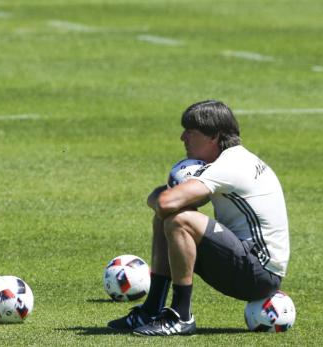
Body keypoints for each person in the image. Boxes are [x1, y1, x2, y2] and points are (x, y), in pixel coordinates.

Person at [108, 100, 290, 336]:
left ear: (213, 136)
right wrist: (163, 201)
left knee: (178, 219)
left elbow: (164, 202)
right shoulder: (232, 160)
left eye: (191, 132)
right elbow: (174, 201)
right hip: (250, 264)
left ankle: (181, 316)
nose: (183, 137)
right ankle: (151, 310)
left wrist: (159, 199)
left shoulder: (230, 165)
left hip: (258, 274)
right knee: (170, 216)